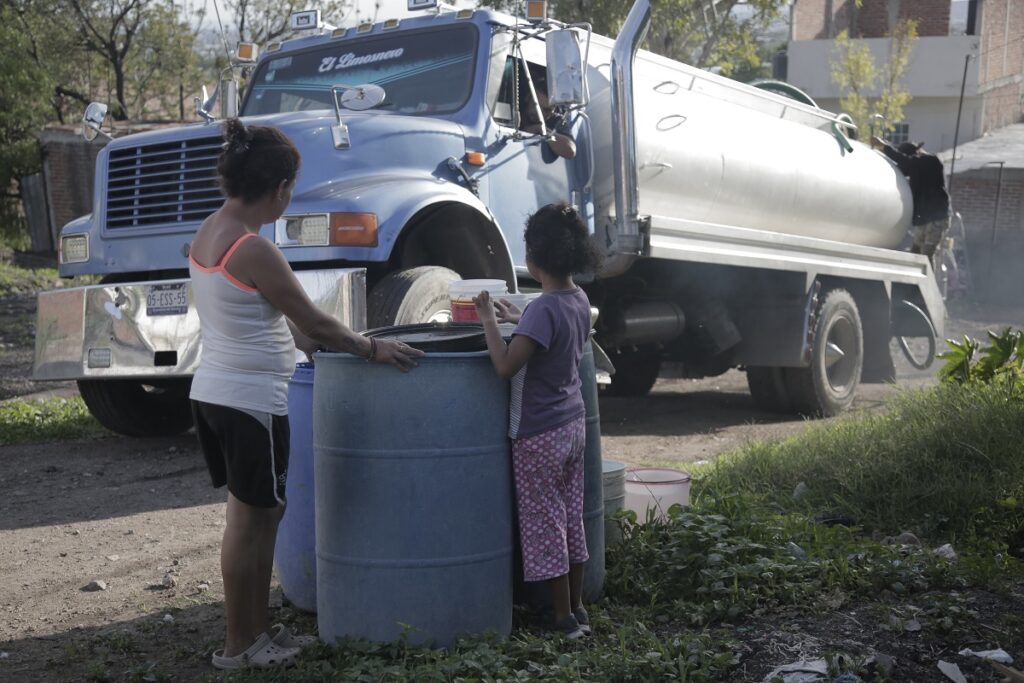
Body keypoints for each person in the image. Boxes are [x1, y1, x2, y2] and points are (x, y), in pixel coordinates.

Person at [188, 118, 423, 670]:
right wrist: (371, 348)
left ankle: (254, 632)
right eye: (290, 189)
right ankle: (239, 645)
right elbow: (315, 320)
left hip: (217, 391)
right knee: (252, 521)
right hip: (250, 400)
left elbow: (255, 312)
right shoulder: (254, 248)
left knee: (258, 515)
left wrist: (307, 344)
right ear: (278, 188)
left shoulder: (210, 230)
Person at [472, 203, 600, 640]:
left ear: (533, 258)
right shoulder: (578, 299)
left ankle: (561, 618)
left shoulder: (542, 309)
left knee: (546, 523)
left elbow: (505, 366)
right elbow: (548, 332)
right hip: (573, 425)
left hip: (539, 434)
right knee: (571, 517)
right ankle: (578, 606)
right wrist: (517, 317)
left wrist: (488, 321)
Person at [871, 136, 950, 261]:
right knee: (916, 252)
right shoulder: (917, 166)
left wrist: (885, 147)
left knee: (927, 254)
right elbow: (904, 166)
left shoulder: (930, 161)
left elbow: (905, 161)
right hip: (924, 218)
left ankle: (928, 273)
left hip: (936, 217)